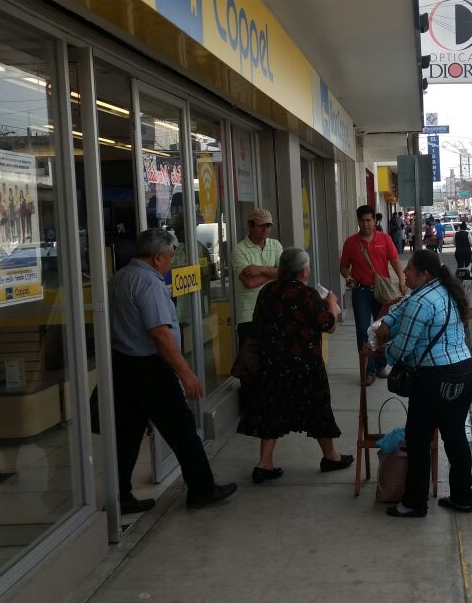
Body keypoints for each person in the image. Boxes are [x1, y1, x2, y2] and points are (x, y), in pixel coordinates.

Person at [108, 228, 237, 512]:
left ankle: (119, 495)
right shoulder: (148, 284)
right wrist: (186, 373)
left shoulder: (119, 277)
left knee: (127, 434)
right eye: (169, 255)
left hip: (122, 364)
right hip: (149, 368)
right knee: (181, 428)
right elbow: (161, 334)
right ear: (157, 257)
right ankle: (202, 488)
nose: (171, 261)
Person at [372, 249, 472, 518]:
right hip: (464, 373)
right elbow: (400, 308)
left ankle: (414, 503)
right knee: (455, 436)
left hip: (434, 379)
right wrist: (389, 322)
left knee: (417, 440)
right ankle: (463, 497)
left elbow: (402, 349)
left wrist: (380, 348)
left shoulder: (421, 302)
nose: (404, 272)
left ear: (424, 274)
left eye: (409, 269)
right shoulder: (444, 290)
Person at [237, 247, 354, 483]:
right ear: (302, 271)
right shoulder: (308, 295)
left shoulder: (268, 290)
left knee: (272, 409)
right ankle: (330, 456)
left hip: (272, 363)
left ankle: (264, 463)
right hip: (305, 366)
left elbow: (257, 324)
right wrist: (331, 304)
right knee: (317, 407)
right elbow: (328, 325)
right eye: (308, 265)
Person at [339, 204, 405, 386]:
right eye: (363, 220)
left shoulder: (384, 239)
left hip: (381, 292)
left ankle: (380, 365)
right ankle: (367, 371)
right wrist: (349, 276)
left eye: (369, 220)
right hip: (361, 292)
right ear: (358, 222)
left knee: (382, 329)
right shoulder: (351, 243)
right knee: (362, 330)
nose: (366, 224)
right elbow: (343, 266)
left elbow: (394, 260)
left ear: (374, 221)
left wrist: (401, 280)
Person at [231, 208, 283, 341]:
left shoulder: (275, 245)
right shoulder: (239, 250)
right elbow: (249, 283)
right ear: (250, 225)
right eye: (261, 225)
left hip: (274, 310)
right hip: (248, 315)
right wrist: (273, 272)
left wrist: (260, 270)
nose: (265, 229)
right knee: (250, 358)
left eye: (268, 225)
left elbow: (284, 272)